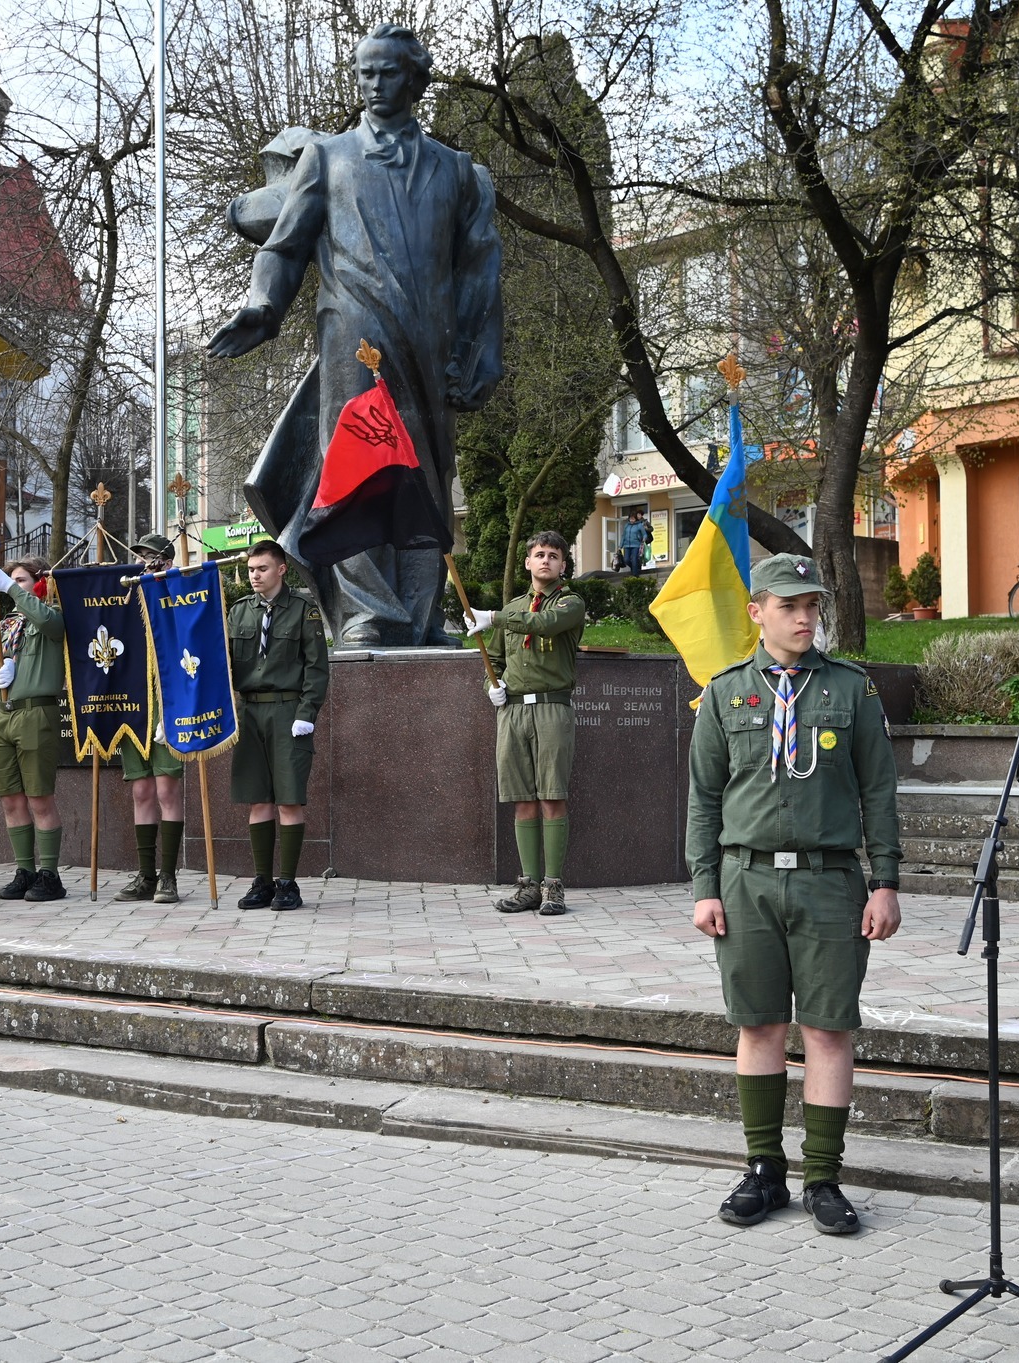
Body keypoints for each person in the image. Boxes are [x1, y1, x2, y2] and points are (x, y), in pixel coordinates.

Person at [209, 22, 501, 646]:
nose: (374, 84)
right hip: (352, 335)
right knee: (356, 468)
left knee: (426, 475)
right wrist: (264, 305)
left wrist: (483, 353)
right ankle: (371, 611)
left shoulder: (459, 171)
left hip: (430, 347)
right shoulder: (328, 157)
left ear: (415, 80)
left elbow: (480, 269)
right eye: (365, 73)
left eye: (388, 72)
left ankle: (421, 614)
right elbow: (285, 245)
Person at [687, 554, 903, 1237]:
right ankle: (763, 1169)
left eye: (812, 604)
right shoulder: (724, 693)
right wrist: (704, 886)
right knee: (758, 1025)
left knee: (828, 1028)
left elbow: (879, 790)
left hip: (829, 880)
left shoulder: (851, 689)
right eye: (789, 605)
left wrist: (886, 882)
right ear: (758, 612)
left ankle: (823, 1177)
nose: (805, 616)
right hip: (745, 879)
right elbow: (704, 797)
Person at [466, 532, 586, 916]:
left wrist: (493, 618)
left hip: (552, 708)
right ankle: (529, 885)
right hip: (513, 712)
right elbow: (495, 659)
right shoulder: (514, 607)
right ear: (527, 563)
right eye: (539, 554)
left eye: (554, 555)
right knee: (522, 799)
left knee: (551, 795)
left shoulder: (569, 603)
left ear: (563, 565)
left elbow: (545, 624)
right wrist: (491, 686)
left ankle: (553, 886)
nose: (546, 560)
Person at [226, 540, 330, 909]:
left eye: (262, 568)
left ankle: (288, 883)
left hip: (288, 713)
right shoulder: (239, 612)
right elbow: (224, 664)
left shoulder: (303, 610)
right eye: (251, 570)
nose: (254, 576)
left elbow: (316, 668)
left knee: (288, 798)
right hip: (250, 713)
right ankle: (262, 882)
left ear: (281, 569)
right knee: (258, 799)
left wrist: (307, 713)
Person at [0, 557, 67, 902]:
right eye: (11, 580)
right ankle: (25, 870)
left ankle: (49, 874)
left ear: (39, 582)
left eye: (20, 580)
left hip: (36, 713)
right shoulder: (7, 622)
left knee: (39, 798)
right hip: (2, 715)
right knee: (10, 798)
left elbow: (52, 625)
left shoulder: (51, 613)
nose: (13, 585)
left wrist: (12, 590)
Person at [117, 533, 188, 904]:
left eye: (152, 557)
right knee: (141, 790)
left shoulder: (179, 593)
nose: (145, 563)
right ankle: (145, 875)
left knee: (166, 790)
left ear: (167, 561)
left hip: (167, 701)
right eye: (141, 557)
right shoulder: (128, 596)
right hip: (134, 702)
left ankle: (168, 876)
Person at [619, 508, 651, 576]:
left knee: (634, 559)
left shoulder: (639, 525)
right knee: (626, 560)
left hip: (636, 545)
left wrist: (644, 539)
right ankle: (635, 568)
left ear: (636, 519)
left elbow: (644, 534)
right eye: (630, 519)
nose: (631, 520)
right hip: (626, 545)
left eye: (633, 519)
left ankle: (635, 575)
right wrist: (620, 546)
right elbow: (623, 535)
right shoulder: (627, 525)